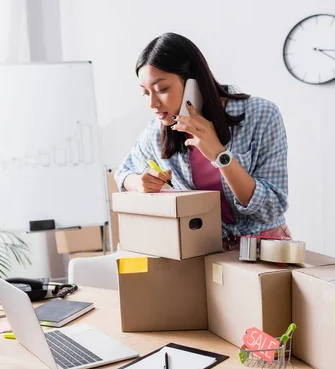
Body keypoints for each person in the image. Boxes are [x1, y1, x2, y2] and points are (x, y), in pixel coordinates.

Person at [115, 32, 290, 250]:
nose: (152, 103)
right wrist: (139, 183)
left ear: (193, 83)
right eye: (145, 93)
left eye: (161, 90)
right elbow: (123, 172)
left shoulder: (261, 115)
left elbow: (271, 207)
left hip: (264, 249)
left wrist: (220, 155)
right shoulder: (157, 132)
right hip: (202, 251)